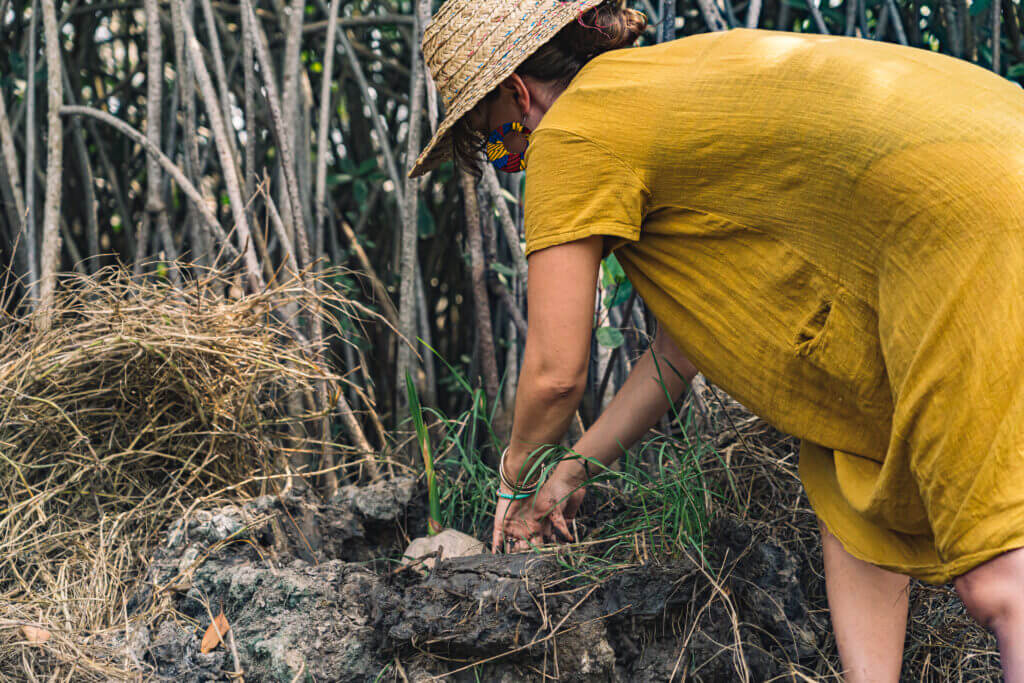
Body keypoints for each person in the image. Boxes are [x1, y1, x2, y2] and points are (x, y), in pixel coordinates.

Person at [408, 0, 1024, 679]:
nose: (505, 159)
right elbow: (682, 349)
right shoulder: (659, 94)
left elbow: (557, 373)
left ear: (518, 94)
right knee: (851, 485)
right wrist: (574, 469)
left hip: (962, 214)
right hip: (992, 135)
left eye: (493, 138)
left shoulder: (571, 134)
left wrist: (514, 475)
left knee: (1001, 579)